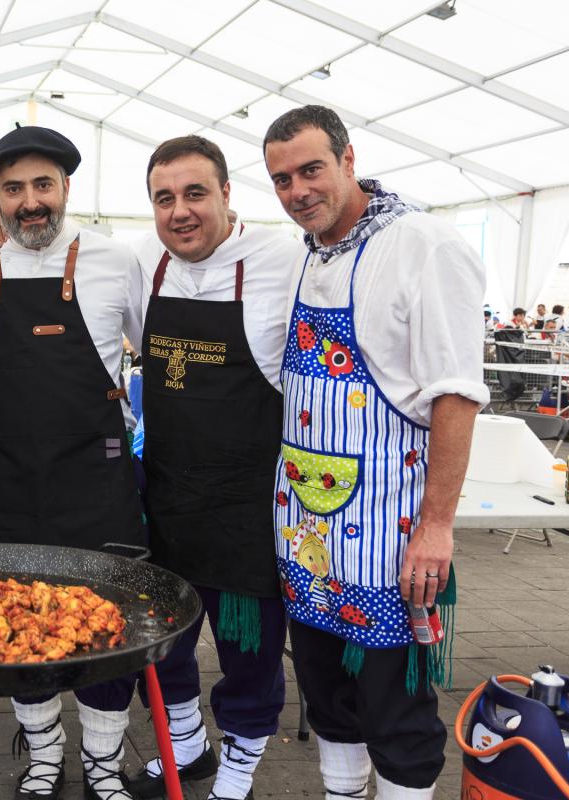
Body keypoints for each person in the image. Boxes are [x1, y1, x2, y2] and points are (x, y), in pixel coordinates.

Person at [263, 105, 486, 799]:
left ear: (349, 159)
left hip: (389, 536)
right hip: (306, 533)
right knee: (327, 694)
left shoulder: (422, 243)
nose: (298, 190)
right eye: (281, 179)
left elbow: (456, 395)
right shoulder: (306, 251)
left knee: (397, 711)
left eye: (311, 170)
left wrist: (437, 526)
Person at [0, 126, 145, 800]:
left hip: (96, 475)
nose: (30, 202)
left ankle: (102, 759)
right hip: (3, 475)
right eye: (13, 189)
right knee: (11, 617)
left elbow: (149, 345)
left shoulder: (117, 258)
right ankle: (42, 753)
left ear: (66, 188)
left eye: (42, 185)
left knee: (109, 621)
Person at [117, 136, 300, 800]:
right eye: (163, 198)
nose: (180, 211)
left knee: (250, 654)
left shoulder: (284, 260)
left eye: (195, 193)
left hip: (248, 506)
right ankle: (186, 748)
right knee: (161, 644)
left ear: (227, 193)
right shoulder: (142, 262)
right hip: (168, 498)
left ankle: (239, 770)